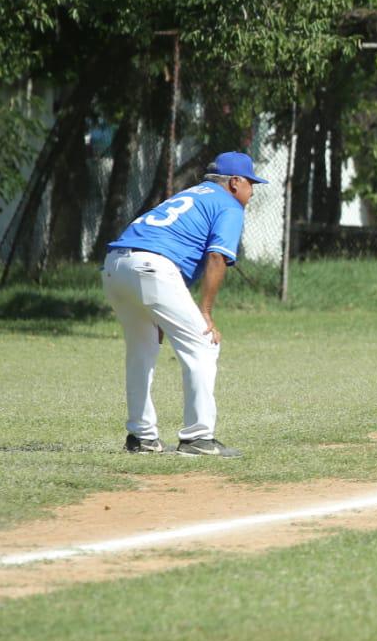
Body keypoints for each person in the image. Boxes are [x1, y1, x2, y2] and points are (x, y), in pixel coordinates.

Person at [100, 151, 266, 457]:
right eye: (250, 183)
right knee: (203, 344)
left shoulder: (193, 195)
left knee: (142, 350)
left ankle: (142, 436)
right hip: (152, 268)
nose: (252, 191)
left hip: (115, 266)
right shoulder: (229, 205)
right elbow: (217, 257)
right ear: (234, 183)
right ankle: (198, 438)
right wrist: (206, 313)